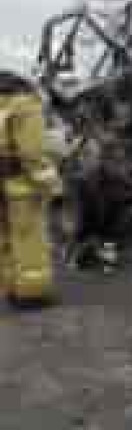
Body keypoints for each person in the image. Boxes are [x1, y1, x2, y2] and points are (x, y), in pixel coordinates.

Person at [0, 71, 62, 307]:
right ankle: (32, 293)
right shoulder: (26, 105)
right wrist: (51, 185)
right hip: (21, 185)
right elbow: (32, 153)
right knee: (29, 240)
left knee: (5, 238)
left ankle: (12, 287)